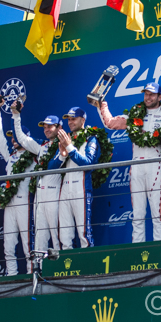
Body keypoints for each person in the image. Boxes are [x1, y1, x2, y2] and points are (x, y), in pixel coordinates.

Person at [98, 83, 161, 243]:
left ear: (160, 96)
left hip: (157, 165)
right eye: (146, 94)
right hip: (137, 166)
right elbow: (110, 123)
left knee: (158, 213)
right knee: (137, 213)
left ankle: (160, 251)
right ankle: (138, 250)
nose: (148, 97)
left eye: (152, 94)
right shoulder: (134, 115)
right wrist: (101, 104)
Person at [0, 102, 37, 275]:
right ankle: (11, 276)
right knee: (8, 243)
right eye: (11, 137)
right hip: (9, 203)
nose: (13, 139)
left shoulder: (33, 157)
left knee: (27, 243)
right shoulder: (10, 156)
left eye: (16, 137)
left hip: (26, 203)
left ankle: (31, 276)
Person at [47, 107, 100, 250]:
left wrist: (69, 147)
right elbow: (51, 168)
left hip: (81, 188)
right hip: (65, 189)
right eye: (68, 119)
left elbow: (88, 163)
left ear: (83, 120)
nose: (70, 122)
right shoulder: (65, 139)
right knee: (64, 234)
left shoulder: (91, 138)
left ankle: (89, 269)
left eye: (73, 119)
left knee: (84, 233)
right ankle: (67, 270)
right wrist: (62, 154)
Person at [13, 110, 62, 252]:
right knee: (40, 236)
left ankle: (64, 271)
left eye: (50, 126)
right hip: (40, 195)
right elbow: (20, 138)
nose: (46, 130)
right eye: (44, 127)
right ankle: (39, 271)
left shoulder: (65, 143)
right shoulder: (41, 146)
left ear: (59, 127)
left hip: (56, 193)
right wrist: (16, 115)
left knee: (58, 234)